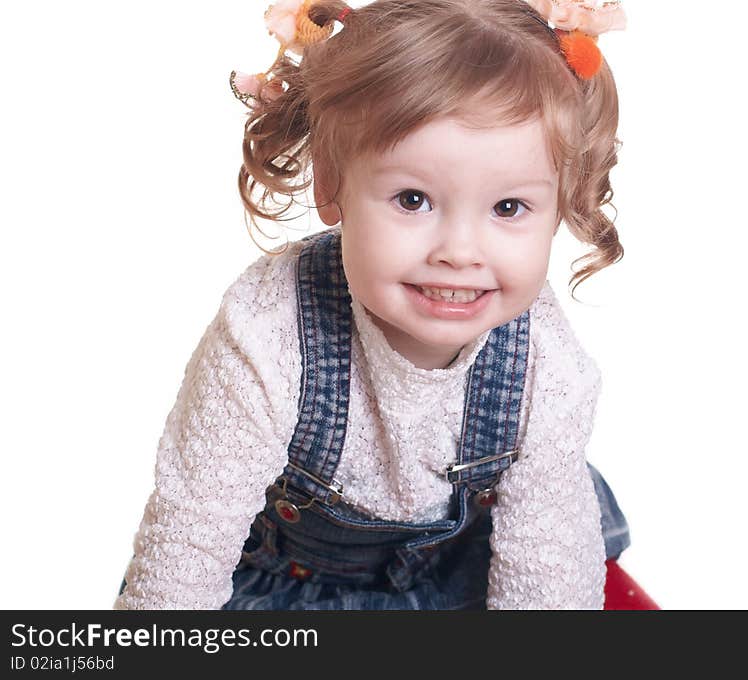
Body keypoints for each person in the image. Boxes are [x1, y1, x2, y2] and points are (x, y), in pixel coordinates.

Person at [114, 0, 631, 610]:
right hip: (296, 586)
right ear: (330, 183)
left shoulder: (548, 365)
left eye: (509, 208)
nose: (459, 252)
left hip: (476, 565)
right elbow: (189, 541)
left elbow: (544, 574)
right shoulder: (267, 330)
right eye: (413, 199)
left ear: (560, 204)